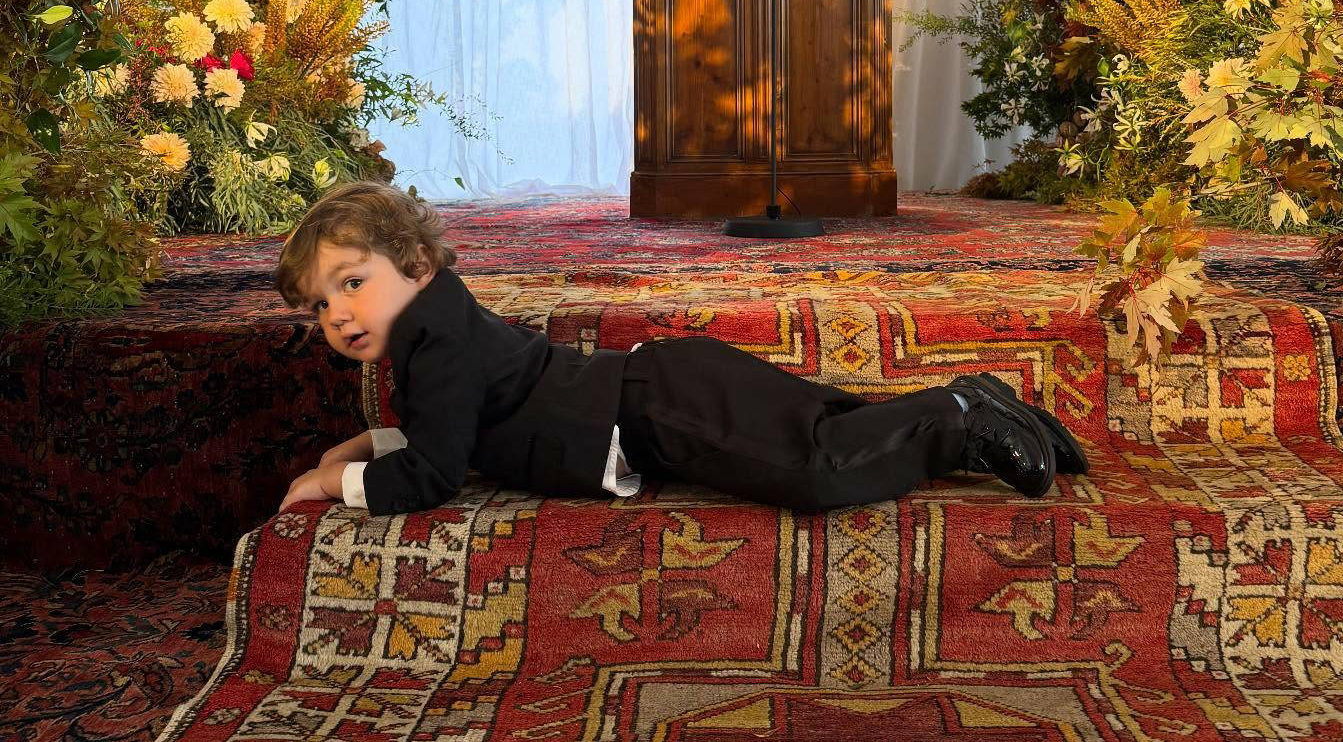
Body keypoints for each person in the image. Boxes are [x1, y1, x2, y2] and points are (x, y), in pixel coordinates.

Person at [276, 182, 1087, 517]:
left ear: (417, 266)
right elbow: (455, 427)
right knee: (828, 427)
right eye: (319, 304)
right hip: (659, 387)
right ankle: (976, 402)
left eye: (352, 283)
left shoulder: (436, 343)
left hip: (655, 410)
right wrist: (373, 440)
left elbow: (435, 474)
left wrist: (331, 481)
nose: (337, 315)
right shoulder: (438, 331)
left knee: (816, 471)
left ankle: (959, 415)